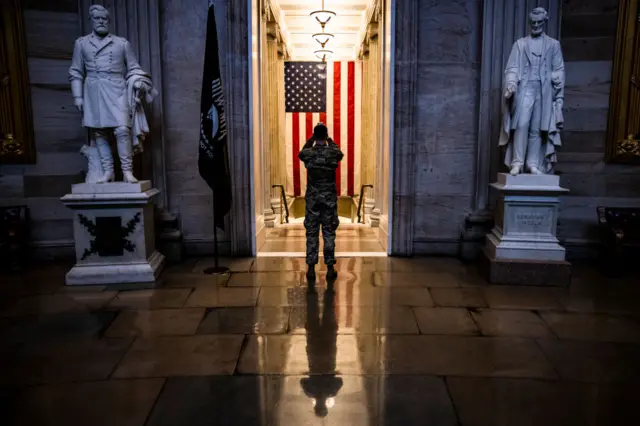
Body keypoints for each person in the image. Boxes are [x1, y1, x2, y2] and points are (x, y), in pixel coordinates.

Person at [69, 5, 156, 183]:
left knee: (122, 130)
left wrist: (138, 81)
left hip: (117, 90)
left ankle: (127, 171)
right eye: (97, 18)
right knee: (99, 133)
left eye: (104, 19)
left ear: (109, 21)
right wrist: (78, 96)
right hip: (93, 91)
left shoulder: (121, 43)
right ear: (91, 20)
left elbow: (133, 68)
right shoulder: (82, 43)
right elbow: (76, 71)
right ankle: (108, 171)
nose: (101, 21)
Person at [499, 6, 565, 175]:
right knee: (521, 124)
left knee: (537, 128)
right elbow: (512, 68)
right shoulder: (520, 44)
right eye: (533, 22)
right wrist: (511, 83)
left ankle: (532, 163)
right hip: (525, 89)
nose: (536, 25)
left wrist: (557, 82)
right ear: (530, 23)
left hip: (544, 91)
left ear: (544, 22)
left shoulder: (553, 45)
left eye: (539, 22)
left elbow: (559, 68)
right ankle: (517, 162)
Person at [298, 123, 344, 280]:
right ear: (325, 136)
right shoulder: (332, 152)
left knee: (311, 232)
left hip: (313, 199)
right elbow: (339, 153)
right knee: (329, 232)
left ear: (314, 136)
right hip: (329, 199)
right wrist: (329, 140)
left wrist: (311, 140)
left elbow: (301, 153)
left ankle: (311, 269)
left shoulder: (309, 153)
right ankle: (330, 269)